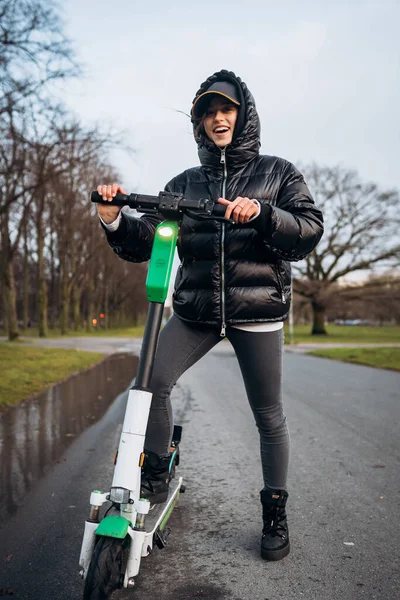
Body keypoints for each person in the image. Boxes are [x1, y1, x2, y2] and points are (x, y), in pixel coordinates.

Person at [96, 70, 324, 562]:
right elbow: (147, 242)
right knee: (152, 381)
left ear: (243, 116)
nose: (218, 119)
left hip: (256, 311)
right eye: (208, 112)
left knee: (268, 414)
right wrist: (114, 219)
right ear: (198, 123)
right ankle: (158, 465)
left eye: (226, 110)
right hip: (198, 310)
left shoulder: (279, 173)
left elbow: (307, 231)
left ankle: (275, 511)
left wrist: (262, 214)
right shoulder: (182, 184)